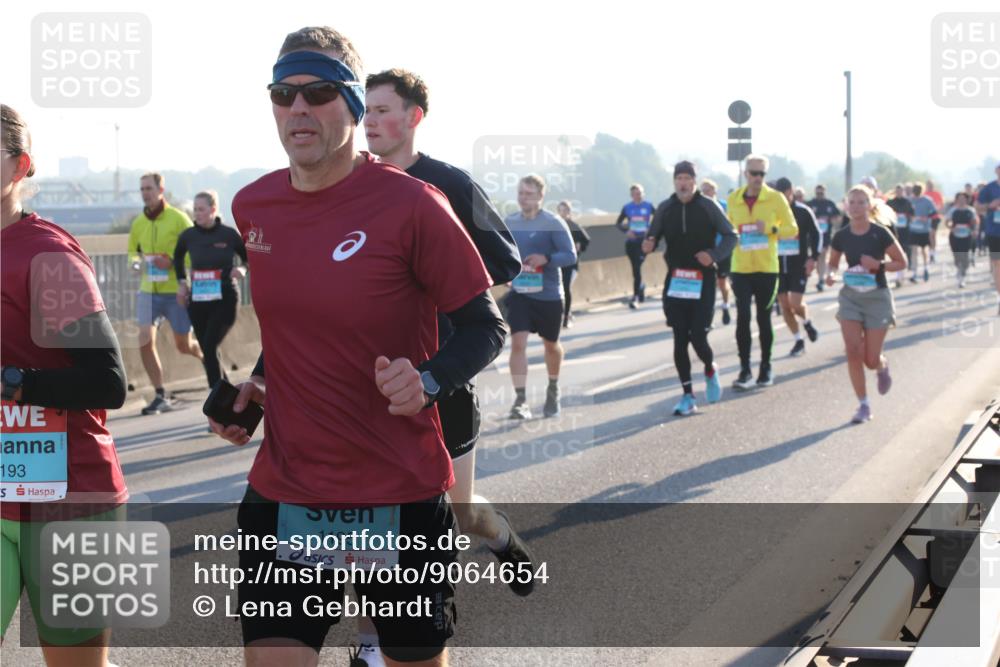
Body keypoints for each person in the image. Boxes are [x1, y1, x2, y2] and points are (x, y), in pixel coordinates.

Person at [210, 27, 509, 667]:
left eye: (318, 93)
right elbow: (302, 325)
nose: (298, 109)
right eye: (282, 94)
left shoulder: (414, 205)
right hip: (288, 489)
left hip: (397, 489)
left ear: (350, 103)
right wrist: (257, 389)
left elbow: (487, 326)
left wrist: (428, 380)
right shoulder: (253, 206)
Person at [1, 104, 129, 667]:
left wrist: (11, 382)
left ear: (18, 167)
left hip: (71, 500)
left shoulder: (46, 256)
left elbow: (107, 380)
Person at [643, 161, 736, 415]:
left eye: (687, 178)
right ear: (674, 182)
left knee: (698, 335)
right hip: (676, 280)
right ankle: (687, 395)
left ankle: (709, 368)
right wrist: (648, 244)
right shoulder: (665, 208)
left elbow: (731, 235)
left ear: (694, 181)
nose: (683, 183)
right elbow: (653, 236)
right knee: (679, 337)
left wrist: (714, 255)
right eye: (679, 178)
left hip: (702, 279)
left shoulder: (708, 206)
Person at [826, 184, 908, 424]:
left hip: (877, 298)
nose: (855, 206)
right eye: (851, 202)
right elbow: (832, 263)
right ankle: (863, 405)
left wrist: (878, 264)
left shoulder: (880, 232)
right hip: (851, 296)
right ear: (845, 205)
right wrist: (830, 274)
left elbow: (901, 262)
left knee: (870, 359)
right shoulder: (841, 235)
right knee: (852, 351)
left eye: (861, 202)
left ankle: (881, 365)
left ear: (870, 205)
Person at [127, 172, 203, 414]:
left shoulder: (178, 219)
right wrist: (136, 262)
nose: (145, 193)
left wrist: (171, 262)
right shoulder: (139, 222)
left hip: (175, 291)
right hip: (148, 290)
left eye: (149, 188)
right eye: (142, 189)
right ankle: (160, 394)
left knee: (184, 345)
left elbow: (196, 249)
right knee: (144, 340)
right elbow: (132, 252)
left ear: (161, 190)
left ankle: (211, 361)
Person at [505, 174, 577, 419]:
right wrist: (505, 271)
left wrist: (546, 259)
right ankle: (520, 400)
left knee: (551, 346)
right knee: (517, 343)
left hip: (548, 295)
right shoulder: (510, 222)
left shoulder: (553, 222)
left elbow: (570, 255)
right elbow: (502, 253)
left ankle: (553, 388)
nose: (523, 198)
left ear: (540, 196)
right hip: (520, 293)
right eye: (520, 193)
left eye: (528, 194)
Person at [725, 155, 798, 390]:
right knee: (743, 318)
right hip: (741, 268)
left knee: (763, 318)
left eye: (761, 174)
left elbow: (792, 229)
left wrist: (769, 228)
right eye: (753, 173)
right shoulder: (733, 199)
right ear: (746, 174)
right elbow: (726, 229)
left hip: (766, 268)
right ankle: (744, 369)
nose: (757, 178)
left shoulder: (775, 198)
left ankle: (765, 367)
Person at [173, 191, 247, 389]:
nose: (197, 213)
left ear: (213, 210)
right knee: (208, 349)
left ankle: (216, 398)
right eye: (195, 209)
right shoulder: (189, 236)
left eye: (201, 209)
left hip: (225, 299)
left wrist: (241, 269)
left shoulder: (228, 234)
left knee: (210, 345)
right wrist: (182, 282)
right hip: (198, 300)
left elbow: (247, 258)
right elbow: (178, 257)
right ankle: (225, 394)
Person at [773, 178, 820, 356]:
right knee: (784, 305)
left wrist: (813, 258)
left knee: (795, 302)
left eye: (785, 193)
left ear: (791, 192)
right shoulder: (772, 211)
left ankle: (807, 322)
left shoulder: (803, 211)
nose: (782, 198)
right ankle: (798, 340)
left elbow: (816, 234)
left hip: (797, 264)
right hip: (776, 264)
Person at [615, 184, 653, 309]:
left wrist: (650, 230)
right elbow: (618, 223)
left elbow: (659, 219)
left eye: (640, 193)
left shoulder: (648, 206)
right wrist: (627, 231)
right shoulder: (627, 207)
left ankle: (638, 291)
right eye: (636, 193)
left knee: (638, 265)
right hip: (632, 242)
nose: (638, 195)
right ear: (632, 195)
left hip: (644, 241)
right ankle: (638, 291)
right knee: (636, 268)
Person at [701, 179, 732, 324]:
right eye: (703, 190)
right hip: (707, 251)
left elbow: (732, 227)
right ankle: (709, 313)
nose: (706, 193)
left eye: (708, 190)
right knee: (708, 284)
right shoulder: (699, 206)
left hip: (722, 250)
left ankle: (725, 305)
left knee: (721, 281)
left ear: (715, 191)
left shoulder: (724, 206)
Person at [556, 200, 590, 328]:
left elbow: (586, 240)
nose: (562, 213)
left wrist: (580, 247)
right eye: (560, 210)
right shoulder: (555, 225)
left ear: (569, 212)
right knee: (558, 291)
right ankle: (565, 313)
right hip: (557, 264)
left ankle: (566, 317)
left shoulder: (574, 226)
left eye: (565, 210)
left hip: (571, 264)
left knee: (566, 288)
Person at [975, 163, 1000, 314]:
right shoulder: (989, 188)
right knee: (997, 264)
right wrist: (991, 205)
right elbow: (977, 207)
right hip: (994, 232)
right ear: (996, 171)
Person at [806, 183, 841, 292]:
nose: (819, 195)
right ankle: (813, 275)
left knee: (822, 256)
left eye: (821, 193)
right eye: (818, 193)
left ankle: (820, 279)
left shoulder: (829, 204)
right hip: (812, 236)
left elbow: (837, 217)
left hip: (825, 236)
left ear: (824, 192)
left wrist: (832, 222)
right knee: (813, 257)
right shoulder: (810, 204)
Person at [946, 192, 979, 288]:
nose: (961, 200)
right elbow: (947, 222)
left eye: (963, 198)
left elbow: (975, 222)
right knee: (957, 257)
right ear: (956, 200)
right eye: (959, 198)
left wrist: (974, 230)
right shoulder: (953, 210)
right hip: (955, 236)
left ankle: (962, 277)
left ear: (966, 200)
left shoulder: (971, 210)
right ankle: (959, 269)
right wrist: (951, 228)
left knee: (964, 256)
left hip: (967, 236)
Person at [886, 185, 915, 288]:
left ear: (902, 192)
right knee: (896, 253)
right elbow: (884, 214)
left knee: (905, 249)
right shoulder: (890, 202)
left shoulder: (907, 202)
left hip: (905, 230)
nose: (899, 193)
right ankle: (899, 276)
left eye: (900, 191)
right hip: (894, 230)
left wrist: (906, 216)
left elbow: (912, 214)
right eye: (897, 191)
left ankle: (903, 273)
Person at [908, 183, 937, 282]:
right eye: (915, 189)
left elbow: (934, 213)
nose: (917, 191)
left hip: (924, 230)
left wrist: (927, 217)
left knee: (924, 250)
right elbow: (906, 212)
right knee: (914, 251)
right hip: (913, 229)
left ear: (922, 190)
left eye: (919, 189)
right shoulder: (910, 200)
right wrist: (910, 217)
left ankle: (926, 268)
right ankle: (914, 273)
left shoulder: (927, 201)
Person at [925, 179, 945, 262]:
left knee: (933, 235)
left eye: (931, 185)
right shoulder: (924, 194)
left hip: (935, 217)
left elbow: (941, 205)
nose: (930, 187)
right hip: (927, 218)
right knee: (929, 236)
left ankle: (933, 253)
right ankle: (931, 253)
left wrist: (937, 210)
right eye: (929, 185)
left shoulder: (937, 194)